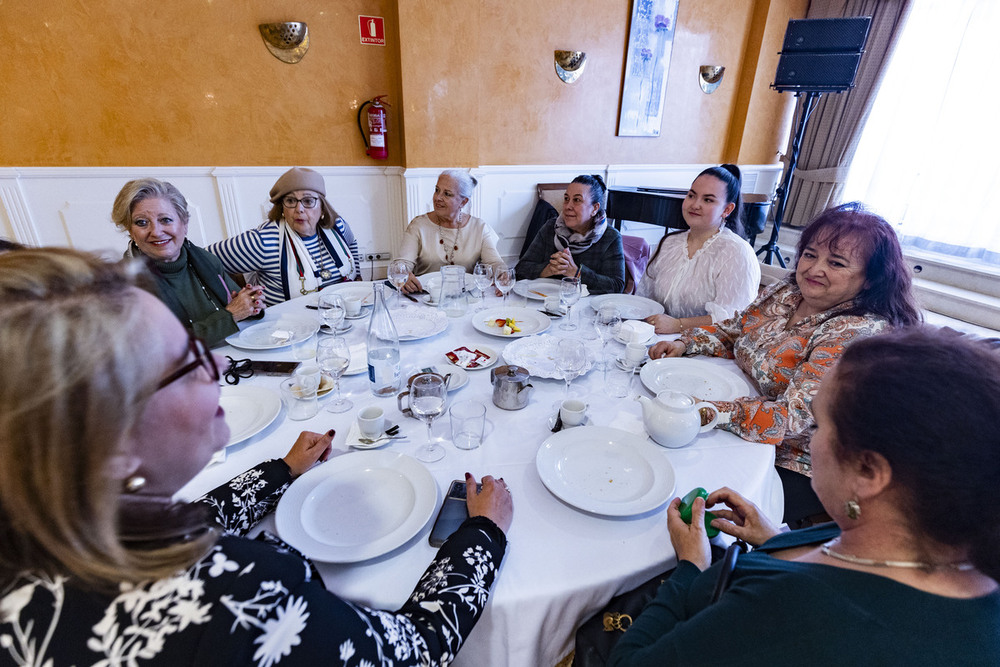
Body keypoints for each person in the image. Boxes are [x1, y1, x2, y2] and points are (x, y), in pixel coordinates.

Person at [0, 248, 513, 666]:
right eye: (188, 359)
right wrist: (482, 536)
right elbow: (412, 652)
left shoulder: (41, 534)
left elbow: (175, 527)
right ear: (110, 452)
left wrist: (279, 472)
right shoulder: (236, 599)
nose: (220, 361)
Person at [608, 327, 1000, 666]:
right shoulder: (964, 564)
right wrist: (778, 539)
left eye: (818, 425)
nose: (810, 442)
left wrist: (691, 565)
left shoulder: (794, 607)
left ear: (869, 472)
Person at [649, 203, 921, 524]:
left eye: (836, 262)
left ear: (870, 280)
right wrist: (685, 342)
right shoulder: (789, 290)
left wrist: (708, 410)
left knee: (687, 497)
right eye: (810, 254)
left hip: (802, 461)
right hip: (743, 416)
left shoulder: (854, 333)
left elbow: (790, 419)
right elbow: (737, 328)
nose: (814, 269)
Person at [112, 178, 265, 347]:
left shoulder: (204, 259)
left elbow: (241, 306)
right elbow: (163, 347)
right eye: (142, 223)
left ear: (184, 223)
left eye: (165, 220)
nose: (156, 232)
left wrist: (251, 302)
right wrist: (230, 316)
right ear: (130, 231)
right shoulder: (124, 285)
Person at [208, 167, 361, 306]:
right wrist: (232, 304)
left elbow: (352, 243)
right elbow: (202, 260)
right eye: (290, 201)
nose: (299, 209)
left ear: (322, 207)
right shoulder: (264, 241)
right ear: (282, 208)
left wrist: (358, 278)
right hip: (288, 330)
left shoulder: (337, 226)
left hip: (341, 320)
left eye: (308, 201)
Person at [637, 165, 760, 333]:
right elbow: (644, 296)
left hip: (706, 348)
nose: (695, 205)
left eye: (708, 200)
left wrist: (678, 325)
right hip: (656, 337)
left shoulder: (736, 252)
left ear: (727, 209)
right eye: (691, 195)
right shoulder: (668, 243)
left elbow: (732, 319)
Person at [396, 169, 506, 293]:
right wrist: (404, 274)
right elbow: (402, 263)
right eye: (437, 190)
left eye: (447, 194)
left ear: (463, 202)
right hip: (425, 296)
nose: (438, 198)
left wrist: (503, 274)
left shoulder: (479, 227)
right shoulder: (418, 225)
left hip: (466, 297)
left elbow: (494, 263)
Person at [515, 174, 625, 295]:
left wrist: (576, 273)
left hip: (586, 308)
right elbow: (521, 269)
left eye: (577, 200)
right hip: (545, 302)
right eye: (566, 199)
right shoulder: (550, 227)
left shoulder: (610, 237)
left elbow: (616, 286)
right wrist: (547, 270)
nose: (568, 206)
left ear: (594, 208)